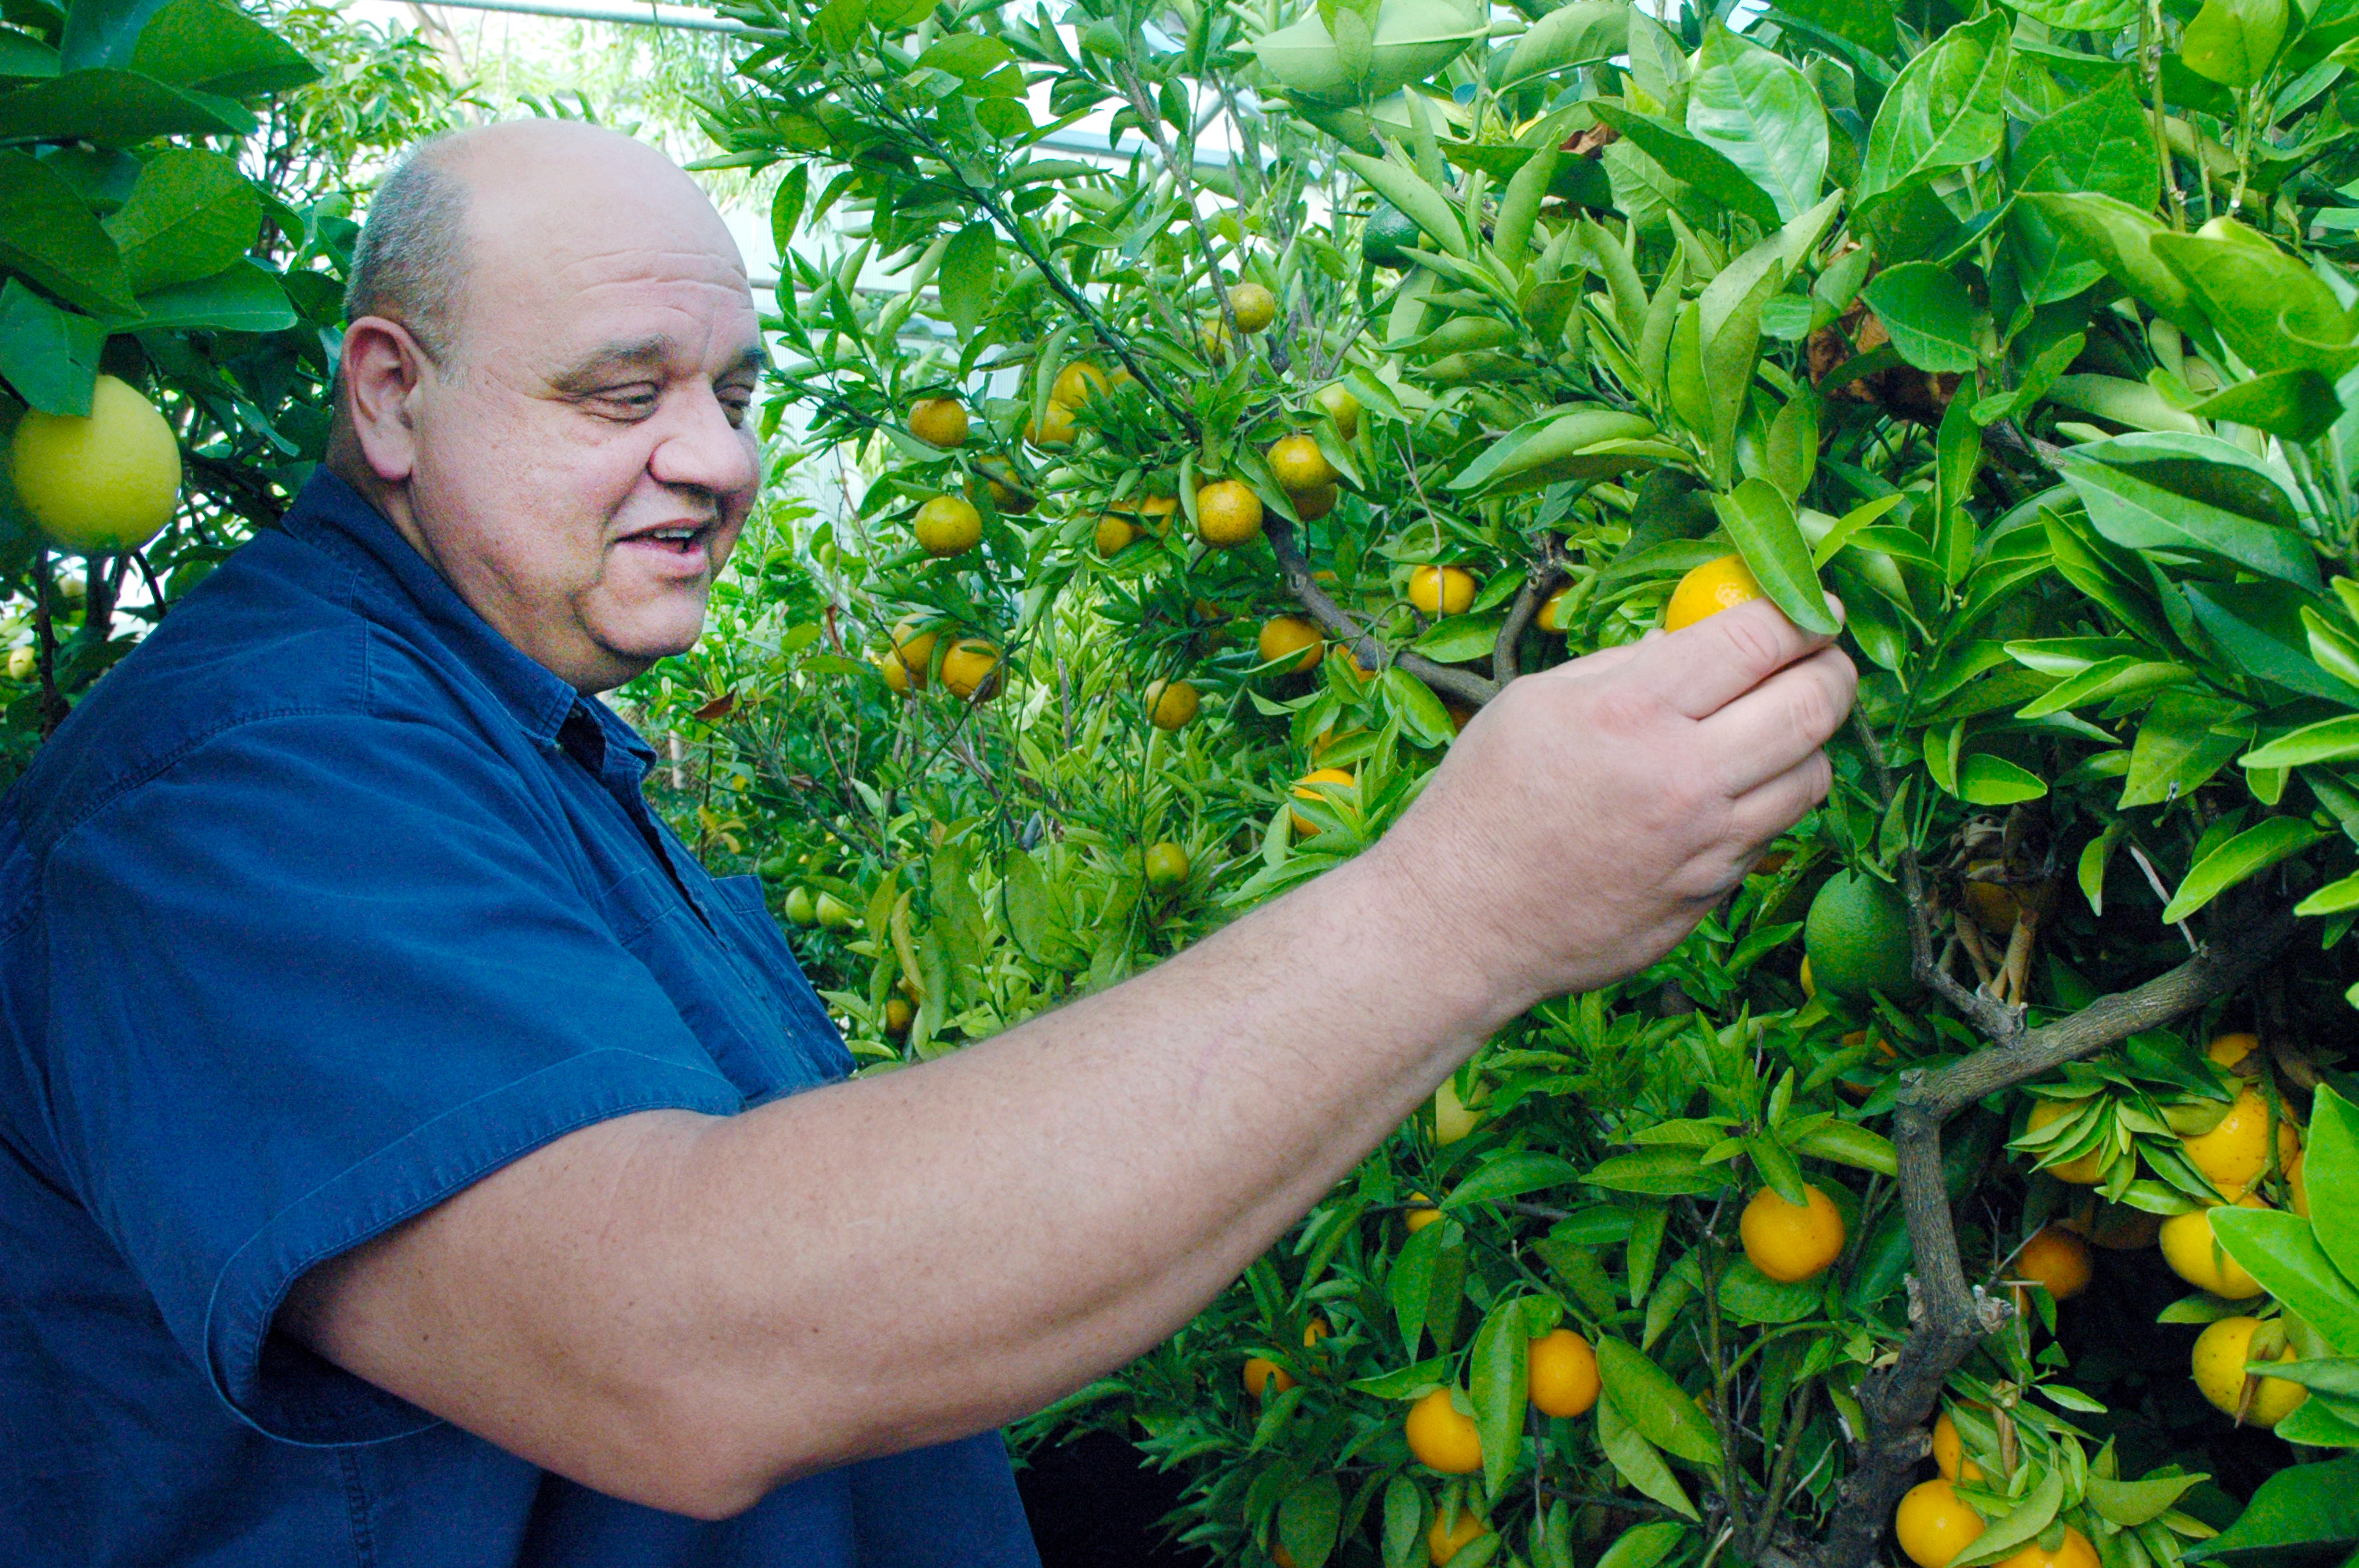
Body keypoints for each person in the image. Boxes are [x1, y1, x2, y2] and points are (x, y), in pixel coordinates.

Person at [0, 121, 1855, 1565]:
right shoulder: (244, 790)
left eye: (733, 394)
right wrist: (1463, 907)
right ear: (390, 393)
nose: (716, 460)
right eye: (623, 393)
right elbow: (687, 1342)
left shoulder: (518, 739)